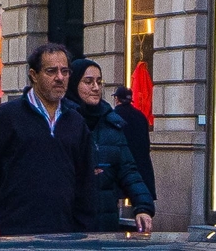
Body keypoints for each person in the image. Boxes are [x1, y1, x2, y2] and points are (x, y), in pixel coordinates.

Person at [0, 41, 89, 235]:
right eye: (51, 71)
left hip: (64, 238)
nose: (60, 78)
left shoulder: (76, 122)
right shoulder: (6, 117)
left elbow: (86, 186)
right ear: (34, 75)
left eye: (65, 71)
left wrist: (83, 232)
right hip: (14, 237)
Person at [66, 58, 155, 234]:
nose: (96, 87)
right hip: (69, 227)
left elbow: (129, 170)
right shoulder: (63, 121)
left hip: (104, 226)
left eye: (99, 82)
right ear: (74, 84)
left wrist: (143, 206)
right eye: (88, 81)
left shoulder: (111, 124)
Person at [111, 84, 155, 198]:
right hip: (140, 165)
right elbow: (146, 143)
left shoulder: (113, 116)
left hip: (121, 167)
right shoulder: (141, 116)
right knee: (138, 196)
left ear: (116, 99)